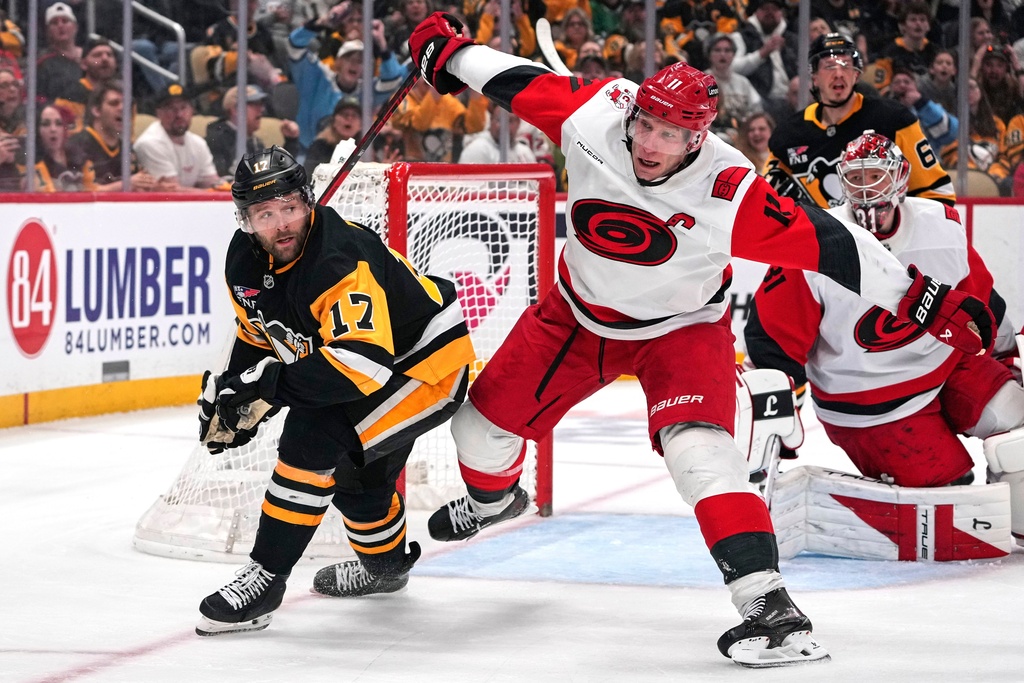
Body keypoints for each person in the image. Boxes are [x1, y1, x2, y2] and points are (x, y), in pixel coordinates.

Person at [407, 11, 995, 667]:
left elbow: (836, 245)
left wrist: (916, 295)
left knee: (701, 455)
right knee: (475, 433)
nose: (652, 145)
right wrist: (450, 49)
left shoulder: (732, 188)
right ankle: (495, 500)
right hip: (573, 314)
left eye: (672, 135)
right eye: (647, 127)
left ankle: (769, 605)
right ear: (634, 116)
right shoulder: (595, 112)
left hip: (680, 331)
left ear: (700, 138)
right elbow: (516, 78)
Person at [195, 145, 474, 635]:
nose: (281, 224)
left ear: (308, 202)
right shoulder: (243, 261)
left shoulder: (337, 258)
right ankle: (385, 570)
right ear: (246, 220)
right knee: (358, 478)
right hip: (364, 362)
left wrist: (269, 391)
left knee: (312, 437)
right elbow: (255, 336)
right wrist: (234, 395)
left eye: (289, 208)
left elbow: (362, 365)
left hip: (426, 365)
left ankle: (266, 576)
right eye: (265, 213)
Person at [744, 131, 1024, 545]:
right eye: (855, 178)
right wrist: (777, 421)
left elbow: (982, 302)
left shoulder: (939, 225)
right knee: (949, 497)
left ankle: (1019, 527)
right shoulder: (813, 239)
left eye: (875, 175)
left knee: (1016, 422)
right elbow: (771, 339)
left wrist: (1004, 362)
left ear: (901, 176)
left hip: (945, 367)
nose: (865, 188)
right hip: (870, 401)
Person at [765, 33, 955, 209]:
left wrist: (899, 230)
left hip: (883, 241)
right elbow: (765, 196)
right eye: (829, 66)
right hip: (819, 242)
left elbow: (938, 194)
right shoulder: (789, 134)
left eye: (846, 65)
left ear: (856, 75)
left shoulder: (892, 120)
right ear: (814, 77)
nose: (838, 73)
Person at [67, 82, 159, 192]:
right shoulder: (77, 145)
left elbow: (138, 185)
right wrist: (126, 184)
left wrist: (154, 186)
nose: (122, 108)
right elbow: (79, 192)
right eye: (114, 103)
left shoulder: (127, 148)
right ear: (96, 110)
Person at [134, 83, 225, 191]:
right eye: (171, 108)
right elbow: (173, 190)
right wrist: (213, 194)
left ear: (192, 111)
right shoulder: (149, 143)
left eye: (183, 107)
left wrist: (227, 187)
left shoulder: (198, 143)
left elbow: (211, 181)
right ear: (158, 113)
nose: (179, 114)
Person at [205, 83, 301, 176]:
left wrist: (290, 141)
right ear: (235, 109)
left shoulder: (255, 142)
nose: (261, 109)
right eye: (254, 104)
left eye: (261, 104)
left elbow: (273, 176)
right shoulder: (216, 141)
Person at [54, 36, 119, 133]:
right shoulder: (70, 95)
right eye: (97, 55)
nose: (105, 59)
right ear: (83, 64)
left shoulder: (124, 96)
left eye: (109, 55)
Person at [458, 100, 536, 164]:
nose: (503, 126)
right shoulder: (477, 149)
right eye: (499, 120)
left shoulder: (525, 152)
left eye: (510, 121)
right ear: (491, 120)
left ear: (518, 123)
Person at [30, 101, 84, 192]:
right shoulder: (33, 163)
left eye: (59, 123)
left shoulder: (78, 156)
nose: (53, 129)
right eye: (46, 124)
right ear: (37, 130)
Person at [302, 94, 361, 175]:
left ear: (360, 125)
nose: (349, 118)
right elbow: (308, 177)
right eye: (344, 114)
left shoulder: (368, 148)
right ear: (333, 121)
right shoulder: (319, 147)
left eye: (354, 115)